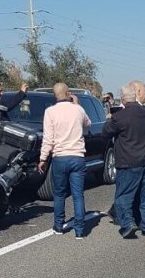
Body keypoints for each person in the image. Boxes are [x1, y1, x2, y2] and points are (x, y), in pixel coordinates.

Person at [101, 83, 145, 239]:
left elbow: (106, 132)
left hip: (128, 162)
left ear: (123, 98)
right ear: (135, 96)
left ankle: (128, 224)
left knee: (124, 196)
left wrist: (109, 118)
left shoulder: (120, 117)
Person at [38, 83, 91, 239]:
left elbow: (48, 138)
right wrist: (77, 104)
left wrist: (42, 158)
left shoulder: (50, 112)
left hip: (60, 157)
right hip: (77, 156)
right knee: (78, 195)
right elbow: (88, 124)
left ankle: (59, 226)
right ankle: (80, 230)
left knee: (59, 194)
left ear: (55, 95)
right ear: (68, 93)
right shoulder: (78, 110)